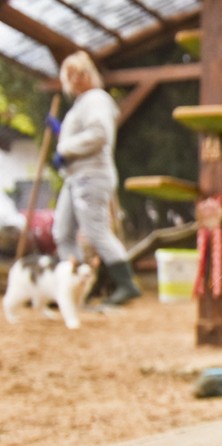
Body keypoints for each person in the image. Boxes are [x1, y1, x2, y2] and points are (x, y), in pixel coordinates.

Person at [50, 50, 140, 305]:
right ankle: (73, 285)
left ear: (88, 73)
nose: (74, 79)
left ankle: (127, 285)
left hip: (91, 175)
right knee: (62, 232)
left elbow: (99, 133)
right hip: (74, 176)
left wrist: (64, 148)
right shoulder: (81, 103)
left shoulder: (96, 99)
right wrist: (61, 134)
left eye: (78, 73)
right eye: (69, 75)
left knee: (96, 231)